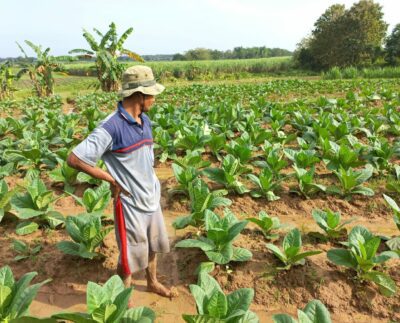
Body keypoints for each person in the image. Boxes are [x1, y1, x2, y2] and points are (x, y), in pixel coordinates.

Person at [67, 65, 177, 299]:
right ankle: (121, 299)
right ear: (139, 94)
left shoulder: (144, 120)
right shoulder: (111, 127)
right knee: (129, 256)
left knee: (153, 245)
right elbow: (75, 158)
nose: (154, 99)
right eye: (152, 95)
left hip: (151, 197)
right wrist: (110, 178)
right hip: (130, 203)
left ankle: (152, 282)